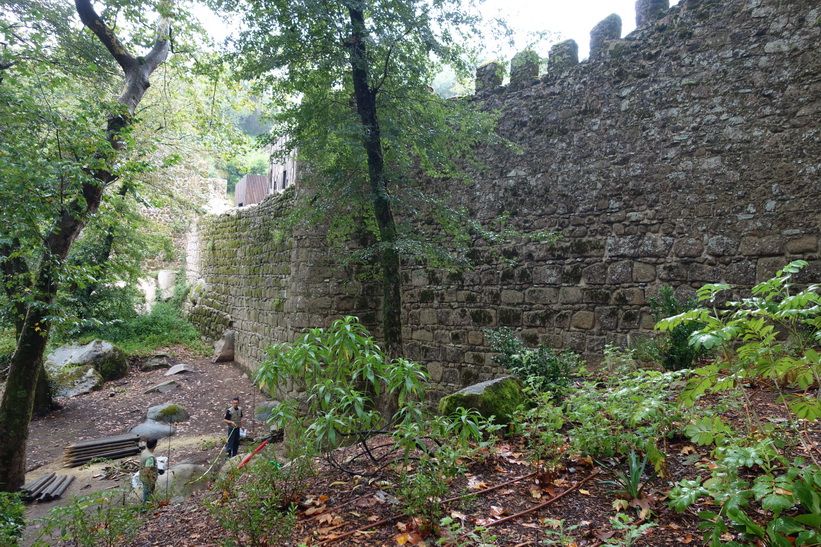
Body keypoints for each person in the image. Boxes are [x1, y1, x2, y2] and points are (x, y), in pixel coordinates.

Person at [139, 438, 158, 507]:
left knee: (147, 495)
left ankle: (148, 508)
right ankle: (144, 511)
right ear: (155, 445)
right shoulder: (150, 457)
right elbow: (148, 469)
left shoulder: (144, 452)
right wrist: (151, 479)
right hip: (148, 479)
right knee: (147, 496)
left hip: (143, 477)